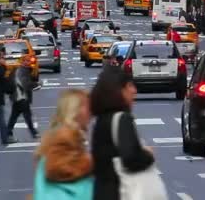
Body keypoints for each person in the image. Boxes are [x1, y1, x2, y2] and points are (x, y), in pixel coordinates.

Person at [90, 68, 156, 200]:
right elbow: (130, 159)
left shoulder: (101, 120)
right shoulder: (122, 119)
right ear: (118, 91)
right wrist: (147, 154)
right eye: (130, 86)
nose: (134, 91)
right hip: (121, 192)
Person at [33, 89, 93, 200]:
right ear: (75, 110)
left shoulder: (62, 134)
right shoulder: (64, 136)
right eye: (87, 106)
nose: (91, 112)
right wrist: (92, 164)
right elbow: (55, 167)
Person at [7, 56, 40, 141]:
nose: (28, 62)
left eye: (29, 61)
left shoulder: (23, 70)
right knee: (27, 115)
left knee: (14, 116)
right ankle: (33, 132)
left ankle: (7, 133)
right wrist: (36, 84)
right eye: (26, 61)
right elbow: (25, 84)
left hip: (17, 97)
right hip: (21, 96)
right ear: (22, 62)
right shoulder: (22, 71)